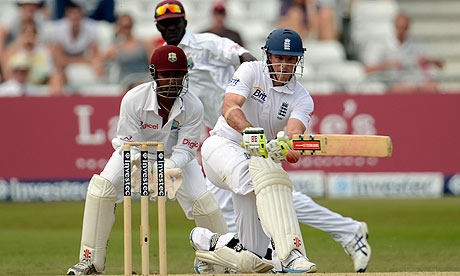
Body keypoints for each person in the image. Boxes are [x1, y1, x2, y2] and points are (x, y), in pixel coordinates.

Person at [66, 45, 229, 275]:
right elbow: (126, 143)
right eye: (166, 75)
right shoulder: (134, 99)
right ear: (154, 74)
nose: (173, 81)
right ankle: (91, 261)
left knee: (204, 202)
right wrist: (146, 168)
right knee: (102, 189)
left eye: (178, 75)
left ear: (185, 75)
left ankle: (221, 261)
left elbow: (187, 149)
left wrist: (167, 167)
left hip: (175, 159)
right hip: (132, 154)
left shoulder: (193, 105)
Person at [195, 28, 319, 273]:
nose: (284, 65)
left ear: (298, 60)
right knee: (273, 179)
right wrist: (250, 132)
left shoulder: (302, 98)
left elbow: (294, 136)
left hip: (257, 164)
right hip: (222, 147)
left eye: (290, 59)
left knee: (255, 259)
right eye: (279, 58)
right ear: (267, 56)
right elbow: (230, 106)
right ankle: (291, 253)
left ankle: (207, 244)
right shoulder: (251, 70)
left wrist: (287, 147)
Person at [153, 0, 256, 129]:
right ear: (158, 27)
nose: (171, 27)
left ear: (184, 22)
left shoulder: (207, 42)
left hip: (242, 116)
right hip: (215, 126)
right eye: (165, 23)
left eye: (175, 22)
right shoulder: (162, 57)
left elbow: (246, 57)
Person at [362, 12, 444, 93]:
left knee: (432, 87)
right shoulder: (381, 45)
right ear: (394, 26)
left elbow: (441, 65)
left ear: (408, 27)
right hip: (388, 81)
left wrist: (428, 60)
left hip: (413, 81)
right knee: (407, 89)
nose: (401, 31)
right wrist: (389, 64)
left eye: (404, 27)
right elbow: (367, 69)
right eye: (399, 27)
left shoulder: (415, 45)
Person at [97, 13, 156, 92]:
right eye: (124, 27)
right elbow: (99, 60)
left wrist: (147, 79)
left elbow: (154, 64)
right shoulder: (115, 48)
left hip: (144, 81)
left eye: (128, 26)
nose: (126, 30)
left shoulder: (145, 44)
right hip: (126, 84)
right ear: (119, 27)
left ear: (132, 26)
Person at [1, 21, 63, 95]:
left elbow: (52, 74)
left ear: (36, 35)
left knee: (57, 80)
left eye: (31, 33)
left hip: (38, 88)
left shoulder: (44, 52)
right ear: (21, 35)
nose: (29, 36)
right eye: (26, 33)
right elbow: (7, 76)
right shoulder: (14, 51)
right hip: (18, 87)